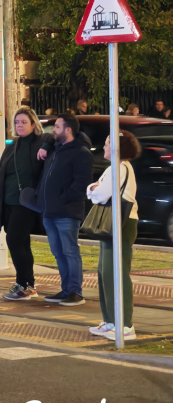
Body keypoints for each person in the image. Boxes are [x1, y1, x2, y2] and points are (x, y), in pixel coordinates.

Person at [87, 130, 141, 341]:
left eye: (108, 143)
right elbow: (94, 191)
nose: (104, 147)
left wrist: (94, 189)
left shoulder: (119, 168)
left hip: (122, 223)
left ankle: (125, 325)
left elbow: (98, 194)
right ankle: (111, 321)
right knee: (105, 272)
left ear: (118, 147)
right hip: (114, 222)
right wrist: (95, 189)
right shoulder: (115, 168)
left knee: (115, 273)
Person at [37, 112, 93, 306]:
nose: (54, 130)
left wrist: (62, 198)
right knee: (58, 252)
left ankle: (75, 292)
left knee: (70, 251)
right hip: (50, 211)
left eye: (58, 127)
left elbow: (81, 184)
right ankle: (66, 289)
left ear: (68, 130)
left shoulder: (81, 153)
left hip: (67, 212)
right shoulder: (57, 149)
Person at [0, 107, 44, 301]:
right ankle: (27, 284)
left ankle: (24, 284)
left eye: (24, 122)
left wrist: (45, 148)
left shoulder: (40, 143)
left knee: (14, 240)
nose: (20, 125)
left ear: (33, 124)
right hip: (8, 202)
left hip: (25, 203)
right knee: (21, 242)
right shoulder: (12, 146)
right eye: (17, 122)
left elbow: (52, 141)